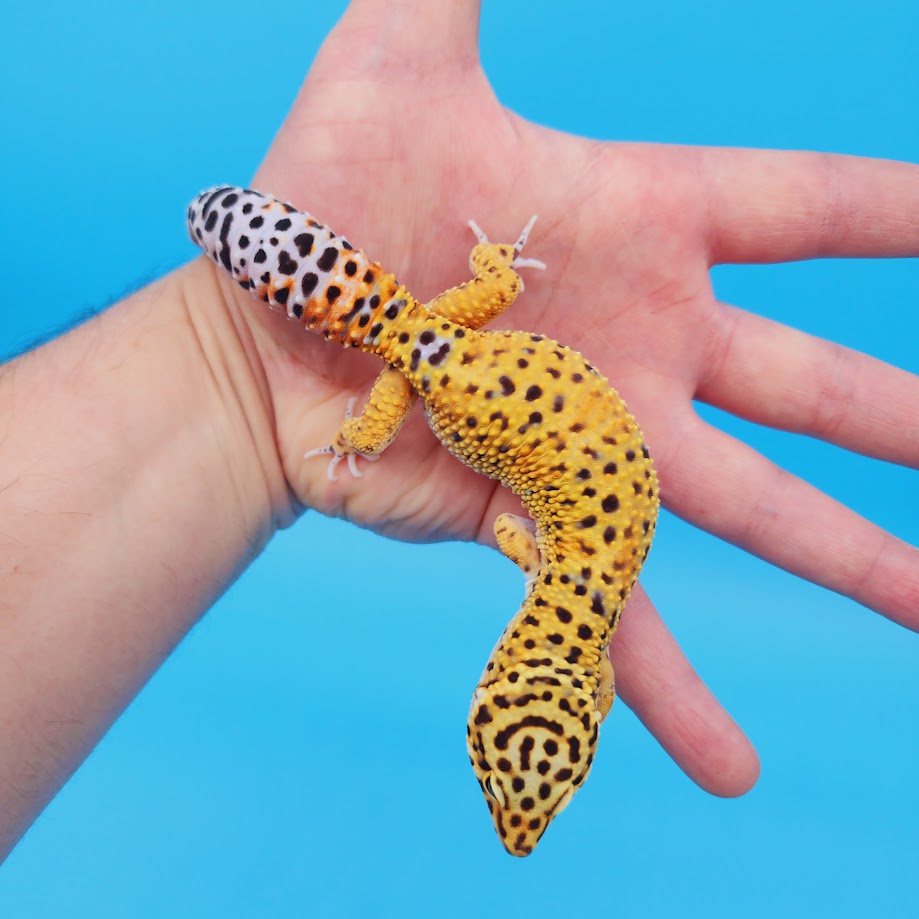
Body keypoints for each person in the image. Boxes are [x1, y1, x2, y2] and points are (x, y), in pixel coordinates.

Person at [1, 0, 917, 860]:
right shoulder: (533, 556)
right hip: (449, 381)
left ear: (505, 691)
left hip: (465, 335)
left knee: (422, 341)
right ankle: (337, 323)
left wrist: (476, 288)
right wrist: (356, 437)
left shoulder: (561, 580)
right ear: (503, 680)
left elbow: (554, 599)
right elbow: (523, 539)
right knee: (407, 360)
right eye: (531, 792)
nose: (519, 830)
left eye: (513, 790)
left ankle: (487, 273)